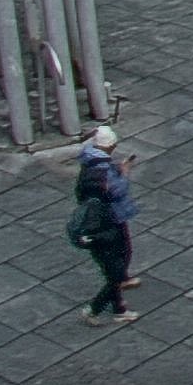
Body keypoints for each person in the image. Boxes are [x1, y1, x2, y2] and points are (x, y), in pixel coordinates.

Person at [72, 123, 140, 325]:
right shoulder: (101, 170)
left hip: (109, 221)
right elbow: (116, 191)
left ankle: (120, 300)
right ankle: (94, 309)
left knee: (123, 256)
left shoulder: (93, 162)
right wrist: (125, 172)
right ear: (110, 146)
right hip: (105, 226)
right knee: (115, 272)